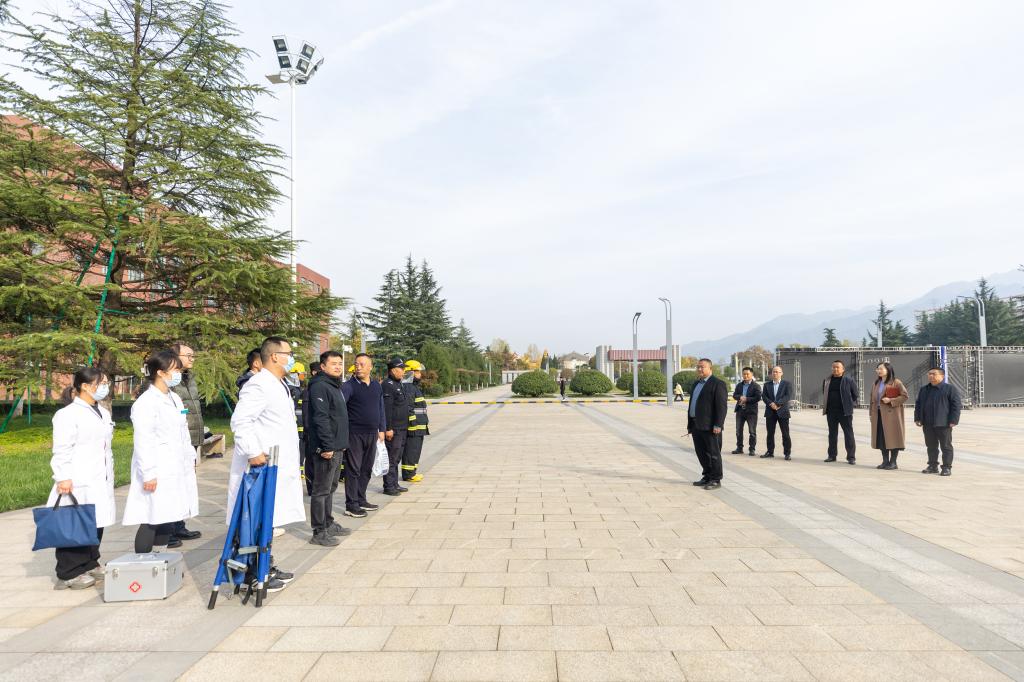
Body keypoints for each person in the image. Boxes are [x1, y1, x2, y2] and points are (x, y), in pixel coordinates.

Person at [229, 336, 305, 592]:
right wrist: (252, 451)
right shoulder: (258, 385)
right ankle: (250, 574)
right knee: (254, 521)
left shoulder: (279, 384)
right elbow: (240, 421)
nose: (291, 358)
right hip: (261, 467)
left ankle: (266, 564)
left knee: (268, 519)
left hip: (277, 465)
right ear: (274, 356)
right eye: (289, 354)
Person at [123, 350, 199, 553]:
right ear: (160, 372)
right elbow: (143, 440)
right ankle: (143, 561)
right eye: (175, 370)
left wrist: (190, 457)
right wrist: (149, 473)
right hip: (157, 468)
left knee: (168, 515)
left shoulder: (174, 398)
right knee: (151, 517)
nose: (178, 374)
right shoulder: (146, 403)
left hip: (175, 466)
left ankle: (160, 557)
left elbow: (183, 432)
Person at [48, 367, 115, 590]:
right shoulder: (67, 415)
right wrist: (63, 477)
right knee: (75, 524)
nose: (105, 387)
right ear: (85, 386)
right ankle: (68, 572)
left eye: (106, 383)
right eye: (101, 383)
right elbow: (62, 449)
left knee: (95, 522)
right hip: (78, 478)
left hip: (99, 476)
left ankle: (90, 562)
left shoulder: (102, 412)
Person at [306, 350, 351, 546]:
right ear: (323, 366)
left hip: (336, 446)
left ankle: (328, 523)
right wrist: (327, 445)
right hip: (326, 448)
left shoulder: (334, 385)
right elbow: (321, 418)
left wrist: (340, 444)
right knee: (321, 490)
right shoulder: (319, 386)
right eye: (334, 364)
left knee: (331, 487)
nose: (338, 367)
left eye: (340, 363)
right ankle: (319, 531)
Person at [341, 353, 387, 518]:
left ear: (370, 367)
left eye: (362, 364)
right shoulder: (348, 386)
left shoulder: (376, 386)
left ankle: (361, 499)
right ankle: (351, 504)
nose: (358, 367)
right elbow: (340, 409)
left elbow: (380, 408)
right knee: (353, 469)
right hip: (354, 434)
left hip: (372, 433)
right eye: (356, 364)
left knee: (366, 468)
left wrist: (382, 428)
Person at [170, 342, 207, 545]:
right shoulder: (170, 381)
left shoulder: (188, 378)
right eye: (188, 355)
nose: (192, 359)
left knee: (185, 484)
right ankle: (167, 530)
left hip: (191, 437)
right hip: (176, 439)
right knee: (173, 485)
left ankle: (179, 525)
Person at [687, 359, 728, 490]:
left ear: (710, 368)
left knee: (713, 454)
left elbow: (721, 407)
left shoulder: (718, 384)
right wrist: (689, 425)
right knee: (701, 453)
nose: (699, 369)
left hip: (710, 426)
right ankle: (707, 476)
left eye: (702, 367)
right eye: (698, 367)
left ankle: (716, 479)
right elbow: (692, 404)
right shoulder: (696, 384)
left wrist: (718, 425)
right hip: (696, 424)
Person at [914, 367, 962, 476]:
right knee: (931, 446)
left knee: (946, 446)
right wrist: (917, 418)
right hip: (927, 423)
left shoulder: (950, 389)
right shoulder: (924, 389)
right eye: (929, 374)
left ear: (942, 376)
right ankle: (932, 466)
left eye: (934, 374)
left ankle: (946, 467)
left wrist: (953, 420)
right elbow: (918, 404)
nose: (931, 376)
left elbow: (956, 406)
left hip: (944, 423)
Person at [870, 362, 908, 470]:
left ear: (888, 370)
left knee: (893, 438)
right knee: (881, 438)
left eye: (881, 369)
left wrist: (891, 400)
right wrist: (871, 414)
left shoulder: (896, 382)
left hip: (892, 416)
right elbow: (872, 400)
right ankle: (885, 461)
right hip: (878, 415)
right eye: (877, 369)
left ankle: (893, 462)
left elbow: (905, 396)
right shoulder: (876, 383)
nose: (878, 371)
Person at [381, 357, 411, 497]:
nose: (403, 372)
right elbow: (387, 409)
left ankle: (394, 483)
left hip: (402, 428)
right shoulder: (388, 385)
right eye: (401, 369)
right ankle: (388, 486)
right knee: (391, 458)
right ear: (393, 370)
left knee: (397, 458)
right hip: (394, 429)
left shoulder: (399, 384)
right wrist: (388, 428)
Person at [822, 359, 858, 464]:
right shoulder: (827, 380)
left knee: (848, 434)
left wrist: (848, 404)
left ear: (843, 369)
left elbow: (855, 394)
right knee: (832, 434)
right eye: (833, 367)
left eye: (837, 367)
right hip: (831, 412)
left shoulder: (848, 380)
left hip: (845, 412)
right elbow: (825, 394)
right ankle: (832, 456)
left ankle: (851, 457)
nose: (835, 369)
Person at [403, 360, 429, 483]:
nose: (420, 374)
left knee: (416, 450)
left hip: (420, 425)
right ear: (411, 372)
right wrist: (412, 424)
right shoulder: (408, 388)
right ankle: (409, 474)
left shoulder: (413, 387)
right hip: (415, 426)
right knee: (411, 450)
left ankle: (412, 472)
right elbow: (409, 407)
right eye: (417, 371)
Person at [761, 366, 793, 459]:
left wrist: (778, 404)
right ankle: (770, 452)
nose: (775, 373)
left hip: (783, 411)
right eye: (774, 372)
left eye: (777, 372)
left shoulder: (787, 384)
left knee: (785, 434)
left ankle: (787, 453)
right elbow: (764, 396)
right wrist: (771, 404)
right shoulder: (767, 385)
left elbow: (788, 396)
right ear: (771, 373)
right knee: (770, 433)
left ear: (781, 373)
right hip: (770, 412)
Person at [731, 367, 761, 456]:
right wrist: (740, 397)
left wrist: (746, 399)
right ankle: (739, 448)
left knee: (752, 432)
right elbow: (734, 395)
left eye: (747, 374)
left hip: (751, 412)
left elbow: (758, 397)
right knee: (738, 431)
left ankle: (752, 449)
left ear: (752, 374)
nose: (745, 376)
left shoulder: (756, 386)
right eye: (744, 374)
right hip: (740, 411)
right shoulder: (739, 385)